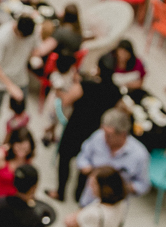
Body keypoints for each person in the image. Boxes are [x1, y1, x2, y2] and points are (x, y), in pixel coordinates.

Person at [47, 66, 122, 203]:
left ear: (98, 70)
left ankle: (61, 191)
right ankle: (79, 194)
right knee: (87, 162)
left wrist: (63, 90)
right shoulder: (116, 92)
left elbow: (67, 100)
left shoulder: (86, 85)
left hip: (76, 127)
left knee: (65, 158)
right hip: (94, 132)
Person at [76, 108, 151, 205]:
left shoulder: (140, 155)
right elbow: (83, 156)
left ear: (123, 134)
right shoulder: (98, 137)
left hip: (114, 208)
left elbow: (143, 185)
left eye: (109, 135)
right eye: (104, 132)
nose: (104, 137)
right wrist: (85, 167)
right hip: (89, 200)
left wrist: (120, 186)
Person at [0, 15, 38, 142]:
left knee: (21, 110)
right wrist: (10, 86)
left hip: (20, 76)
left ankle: (16, 138)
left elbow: (35, 48)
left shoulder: (32, 32)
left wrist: (35, 57)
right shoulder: (1, 37)